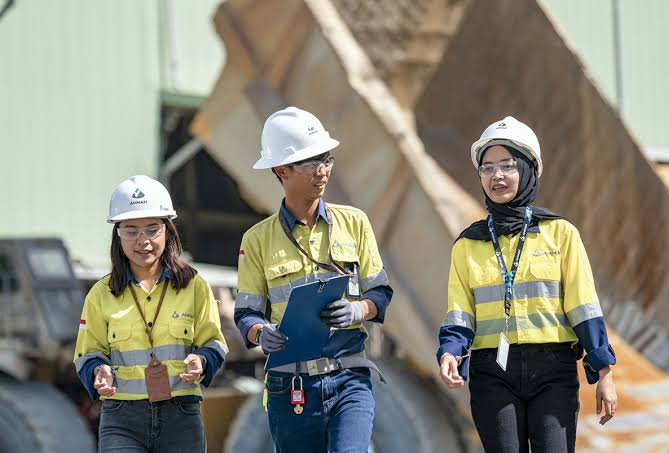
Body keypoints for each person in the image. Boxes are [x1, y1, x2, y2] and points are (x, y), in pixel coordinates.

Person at [437, 116, 618, 452]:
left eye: (507, 165)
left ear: (528, 169)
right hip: (492, 371)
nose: (497, 176)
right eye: (487, 168)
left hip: (553, 370)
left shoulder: (561, 234)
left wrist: (603, 372)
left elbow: (584, 307)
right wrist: (450, 352)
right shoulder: (467, 244)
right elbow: (460, 312)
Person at [234, 107, 393, 452]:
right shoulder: (257, 240)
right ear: (281, 170)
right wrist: (262, 332)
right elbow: (245, 314)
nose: (322, 172)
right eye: (310, 163)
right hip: (289, 385)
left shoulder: (355, 223)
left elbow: (380, 292)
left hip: (349, 376)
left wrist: (358, 311)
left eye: (326, 160)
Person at [73, 175, 228, 452]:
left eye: (152, 229)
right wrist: (99, 370)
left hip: (181, 417)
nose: (142, 240)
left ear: (167, 230)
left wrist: (202, 360)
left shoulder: (195, 286)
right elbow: (87, 353)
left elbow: (214, 343)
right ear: (117, 234)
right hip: (121, 419)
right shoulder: (101, 293)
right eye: (131, 230)